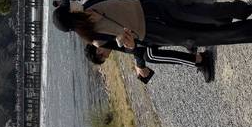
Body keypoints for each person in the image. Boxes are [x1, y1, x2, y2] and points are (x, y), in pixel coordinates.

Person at [52, 0, 252, 50]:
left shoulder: (96, 39)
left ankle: (246, 29)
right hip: (149, 7)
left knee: (203, 37)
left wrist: (127, 40)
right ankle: (242, 9)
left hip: (153, 33)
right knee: (200, 11)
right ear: (71, 12)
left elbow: (128, 46)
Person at [84, 43, 215, 83]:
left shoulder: (108, 40)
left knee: (150, 56)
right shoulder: (107, 41)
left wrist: (139, 65)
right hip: (144, 33)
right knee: (147, 56)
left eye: (104, 57)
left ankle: (201, 60)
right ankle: (195, 55)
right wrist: (138, 64)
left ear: (99, 51)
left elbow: (135, 47)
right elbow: (134, 49)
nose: (107, 56)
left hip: (146, 29)